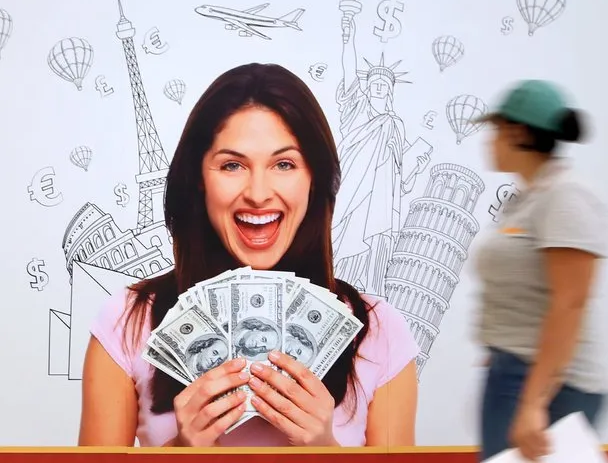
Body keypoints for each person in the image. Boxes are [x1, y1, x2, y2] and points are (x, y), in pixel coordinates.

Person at [78, 62, 419, 448]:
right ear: (199, 181)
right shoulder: (126, 322)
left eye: (284, 164)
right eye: (232, 165)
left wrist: (325, 452)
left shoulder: (380, 331)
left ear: (314, 180)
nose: (258, 193)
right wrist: (179, 452)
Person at [473, 79, 608, 461]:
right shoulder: (523, 199)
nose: (489, 141)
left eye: (495, 131)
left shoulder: (566, 196)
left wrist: (534, 402)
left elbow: (571, 302)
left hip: (551, 385)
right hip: (512, 371)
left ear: (518, 132)